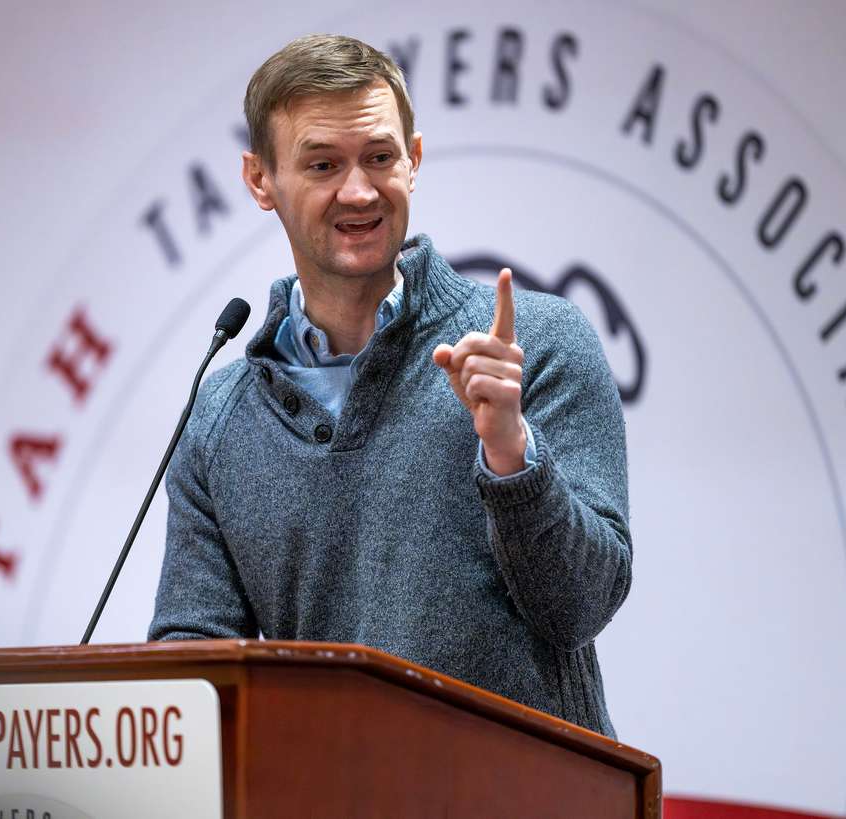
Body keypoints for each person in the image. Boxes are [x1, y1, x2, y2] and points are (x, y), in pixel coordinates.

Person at [148, 34, 631, 737]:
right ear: (259, 180)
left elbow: (581, 606)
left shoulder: (536, 344)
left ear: (415, 159)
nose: (359, 191)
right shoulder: (221, 418)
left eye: (380, 157)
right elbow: (194, 668)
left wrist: (510, 452)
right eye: (323, 164)